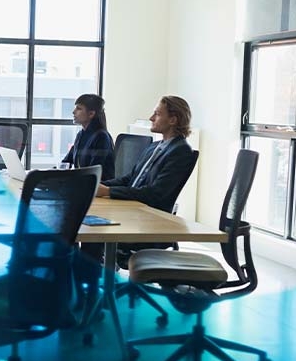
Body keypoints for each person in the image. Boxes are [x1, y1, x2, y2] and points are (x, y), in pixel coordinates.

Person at [96, 95, 197, 261]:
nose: (151, 118)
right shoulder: (154, 147)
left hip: (147, 218)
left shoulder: (180, 151)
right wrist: (96, 185)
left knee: (91, 232)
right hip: (132, 210)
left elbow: (155, 193)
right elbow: (130, 179)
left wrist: (108, 191)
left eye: (157, 114)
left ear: (173, 120)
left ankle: (92, 274)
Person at [60, 94, 114, 309]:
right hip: (83, 194)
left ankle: (88, 292)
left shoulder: (101, 137)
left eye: (79, 108)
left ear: (92, 113)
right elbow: (67, 163)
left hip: (100, 199)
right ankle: (72, 285)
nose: (74, 112)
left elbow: (93, 172)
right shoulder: (82, 134)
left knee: (72, 230)